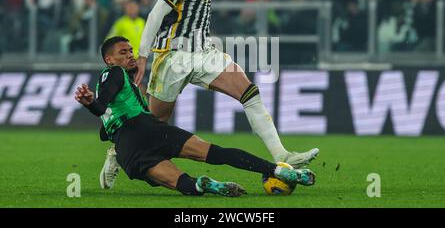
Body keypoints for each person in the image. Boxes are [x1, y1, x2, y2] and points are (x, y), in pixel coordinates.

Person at [95, 0, 319, 189]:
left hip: (203, 52)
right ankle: (117, 151)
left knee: (249, 92)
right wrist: (143, 55)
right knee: (153, 124)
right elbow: (156, 13)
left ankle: (282, 156)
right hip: (173, 57)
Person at [74, 36, 316, 196]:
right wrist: (92, 103)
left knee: (183, 184)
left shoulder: (119, 86)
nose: (130, 55)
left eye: (131, 51)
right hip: (149, 130)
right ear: (109, 59)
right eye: (123, 52)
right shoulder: (114, 73)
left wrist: (91, 105)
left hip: (128, 151)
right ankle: (281, 171)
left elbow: (103, 124)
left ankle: (206, 185)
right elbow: (101, 103)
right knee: (215, 153)